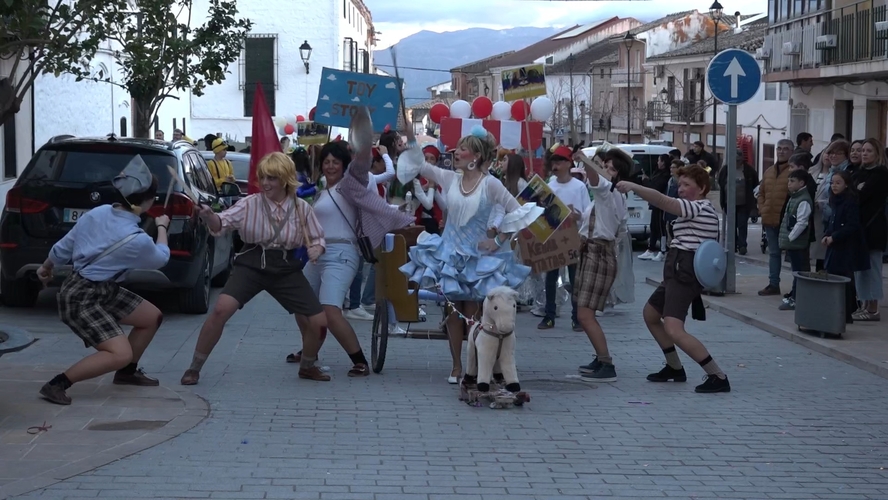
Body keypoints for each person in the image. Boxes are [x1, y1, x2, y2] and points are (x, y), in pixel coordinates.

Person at [396, 125, 543, 385]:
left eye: (463, 148)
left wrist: (497, 240)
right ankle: (456, 366)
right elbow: (420, 164)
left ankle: (476, 368)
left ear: (475, 156)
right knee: (452, 314)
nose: (456, 152)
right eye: (457, 148)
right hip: (451, 257)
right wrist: (409, 137)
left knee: (474, 317)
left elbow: (518, 211)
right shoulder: (450, 178)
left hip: (478, 261)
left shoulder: (491, 184)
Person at [180, 152, 330, 385]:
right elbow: (222, 223)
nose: (266, 183)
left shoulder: (301, 207)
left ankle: (308, 365)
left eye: (272, 178)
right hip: (252, 263)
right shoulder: (249, 203)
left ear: (285, 179)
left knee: (319, 322)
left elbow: (319, 238)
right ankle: (194, 367)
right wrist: (209, 216)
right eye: (263, 178)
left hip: (286, 267)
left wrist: (316, 250)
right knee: (221, 309)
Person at [35, 158, 171, 405]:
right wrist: (162, 228)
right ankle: (57, 384)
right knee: (119, 353)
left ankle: (127, 373)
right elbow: (161, 258)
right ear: (148, 202)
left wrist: (46, 266)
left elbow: (64, 246)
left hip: (102, 288)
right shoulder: (136, 239)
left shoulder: (97, 212)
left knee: (152, 317)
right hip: (81, 297)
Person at [616, 164, 730, 394]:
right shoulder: (694, 208)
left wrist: (635, 186)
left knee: (674, 329)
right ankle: (674, 367)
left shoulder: (700, 207)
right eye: (680, 185)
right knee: (650, 315)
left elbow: (663, 202)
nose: (681, 189)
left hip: (684, 274)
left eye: (687, 185)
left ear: (702, 188)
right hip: (676, 271)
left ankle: (717, 375)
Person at [570, 147, 631, 382]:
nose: (606, 170)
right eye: (604, 165)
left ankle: (606, 362)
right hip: (593, 252)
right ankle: (600, 357)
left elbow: (595, 179)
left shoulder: (610, 191)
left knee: (585, 314)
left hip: (599, 253)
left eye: (611, 168)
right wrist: (577, 217)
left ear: (618, 175)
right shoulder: (608, 196)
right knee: (584, 310)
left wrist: (585, 161)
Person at [537, 145, 589, 332]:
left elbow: (586, 213)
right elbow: (544, 214)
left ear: (569, 163)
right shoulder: (549, 187)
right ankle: (549, 315)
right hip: (554, 237)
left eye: (560, 161)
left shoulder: (580, 187)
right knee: (551, 278)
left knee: (575, 279)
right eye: (554, 161)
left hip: (573, 236)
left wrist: (577, 216)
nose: (556, 165)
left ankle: (577, 318)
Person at [822, 170, 869, 324]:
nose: (834, 186)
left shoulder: (850, 201)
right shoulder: (835, 200)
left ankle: (847, 311)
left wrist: (834, 236)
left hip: (846, 246)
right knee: (834, 275)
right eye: (832, 183)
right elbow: (833, 221)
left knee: (845, 279)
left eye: (838, 183)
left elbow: (852, 225)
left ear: (846, 184)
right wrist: (827, 234)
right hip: (835, 245)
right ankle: (837, 309)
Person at [850, 137, 888, 321]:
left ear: (877, 153)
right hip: (858, 228)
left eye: (868, 151)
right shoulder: (859, 173)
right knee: (860, 268)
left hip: (873, 228)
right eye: (862, 150)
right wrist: (856, 189)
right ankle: (863, 303)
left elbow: (861, 196)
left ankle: (873, 308)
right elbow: (849, 193)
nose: (863, 154)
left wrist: (857, 190)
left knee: (872, 268)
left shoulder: (881, 174)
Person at [757, 139, 794, 296]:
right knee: (774, 253)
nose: (781, 151)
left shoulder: (794, 172)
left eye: (785, 149)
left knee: (793, 256)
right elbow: (761, 192)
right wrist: (762, 208)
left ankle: (797, 288)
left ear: (792, 151)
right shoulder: (769, 171)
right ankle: (773, 284)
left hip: (786, 222)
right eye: (779, 148)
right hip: (769, 219)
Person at [777, 169, 813, 311]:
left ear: (801, 183)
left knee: (800, 272)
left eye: (792, 181)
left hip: (798, 244)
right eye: (789, 181)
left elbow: (801, 222)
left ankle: (798, 298)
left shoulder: (803, 200)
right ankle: (796, 295)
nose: (789, 184)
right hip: (793, 244)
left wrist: (791, 238)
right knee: (796, 271)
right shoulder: (795, 197)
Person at [717, 153, 759, 255]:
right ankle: (734, 244)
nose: (737, 163)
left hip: (744, 203)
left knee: (742, 224)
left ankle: (742, 245)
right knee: (732, 224)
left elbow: (755, 184)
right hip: (729, 202)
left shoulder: (749, 170)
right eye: (735, 160)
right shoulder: (726, 170)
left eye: (739, 160)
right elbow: (720, 182)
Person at [639, 154, 672, 261]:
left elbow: (655, 187)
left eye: (659, 160)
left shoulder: (665, 175)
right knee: (654, 227)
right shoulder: (658, 172)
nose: (657, 162)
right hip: (655, 204)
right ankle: (651, 249)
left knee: (661, 228)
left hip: (660, 205)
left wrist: (645, 181)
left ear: (663, 162)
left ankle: (663, 251)